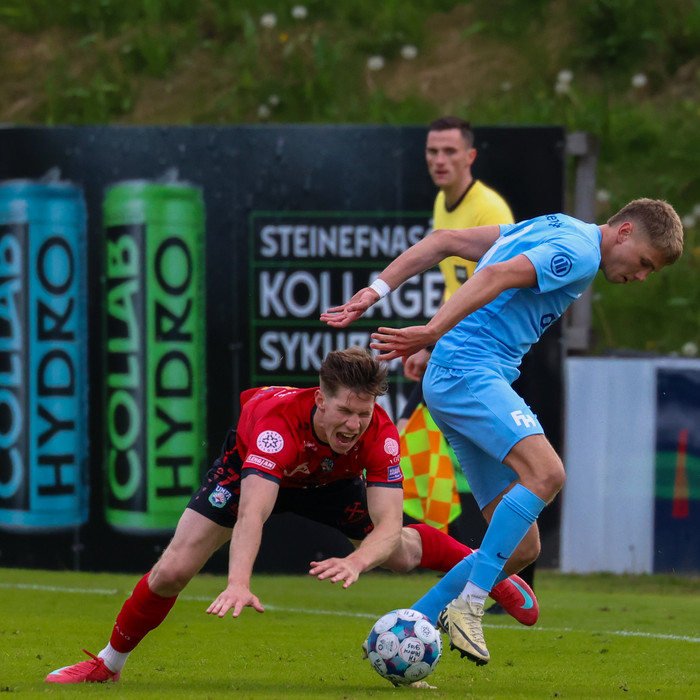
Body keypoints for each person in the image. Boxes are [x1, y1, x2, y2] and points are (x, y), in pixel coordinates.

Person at [322, 199, 684, 665]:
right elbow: (494, 276)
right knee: (547, 473)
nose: (641, 276)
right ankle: (469, 606)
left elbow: (445, 242)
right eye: (645, 263)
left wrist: (376, 290)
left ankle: (408, 626)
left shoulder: (559, 226)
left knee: (521, 547)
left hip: (457, 374)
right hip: (468, 371)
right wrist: (432, 333)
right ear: (625, 231)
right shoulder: (582, 252)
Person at [45, 346, 538, 684]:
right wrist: (238, 583)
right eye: (345, 411)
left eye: (363, 413)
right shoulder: (276, 426)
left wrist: (357, 561)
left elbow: (390, 525)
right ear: (320, 399)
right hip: (252, 471)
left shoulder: (379, 433)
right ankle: (108, 665)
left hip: (328, 480)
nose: (354, 424)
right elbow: (253, 514)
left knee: (403, 555)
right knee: (171, 571)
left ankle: (485, 570)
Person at [399, 114, 514, 399]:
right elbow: (455, 286)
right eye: (433, 151)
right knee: (410, 426)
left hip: (482, 353)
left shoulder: (490, 211)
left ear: (469, 157)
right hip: (454, 343)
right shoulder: (442, 200)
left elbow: (499, 292)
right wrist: (430, 344)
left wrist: (432, 343)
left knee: (408, 426)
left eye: (450, 151)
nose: (439, 160)